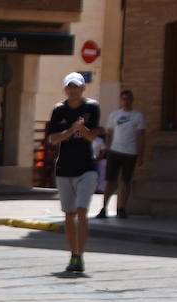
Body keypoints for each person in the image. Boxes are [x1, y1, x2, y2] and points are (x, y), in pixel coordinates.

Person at [47, 72, 102, 275]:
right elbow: (53, 139)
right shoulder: (58, 110)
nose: (73, 90)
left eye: (76, 86)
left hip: (86, 167)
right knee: (69, 214)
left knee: (81, 211)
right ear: (65, 89)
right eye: (69, 87)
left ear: (82, 88)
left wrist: (82, 128)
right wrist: (71, 130)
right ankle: (73, 254)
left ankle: (81, 254)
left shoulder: (92, 107)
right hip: (64, 168)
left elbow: (92, 137)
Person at [98, 89, 146, 219]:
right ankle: (104, 208)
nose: (126, 101)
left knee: (126, 181)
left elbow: (141, 136)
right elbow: (109, 133)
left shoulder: (138, 116)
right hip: (115, 151)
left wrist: (141, 155)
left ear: (132, 100)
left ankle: (122, 208)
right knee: (109, 181)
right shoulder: (114, 115)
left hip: (130, 153)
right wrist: (107, 149)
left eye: (128, 99)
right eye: (124, 99)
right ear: (121, 100)